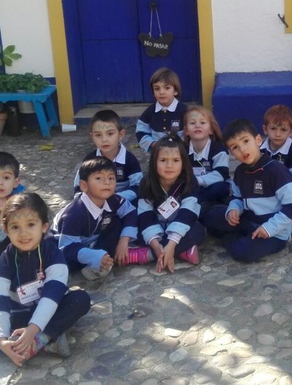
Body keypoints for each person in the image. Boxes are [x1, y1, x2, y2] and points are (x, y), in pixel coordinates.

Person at [0, 193, 90, 366]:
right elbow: (1, 300)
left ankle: (40, 340)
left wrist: (33, 330)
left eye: (31, 224)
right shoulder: (5, 259)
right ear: (6, 230)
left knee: (80, 299)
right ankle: (48, 340)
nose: (24, 233)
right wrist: (2, 340)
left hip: (50, 308)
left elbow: (53, 294)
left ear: (44, 226)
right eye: (15, 227)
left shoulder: (53, 253)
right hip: (18, 314)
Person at [203, 119, 292, 263]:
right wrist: (234, 209)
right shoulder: (240, 172)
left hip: (274, 233)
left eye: (245, 141)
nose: (242, 149)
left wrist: (268, 229)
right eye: (235, 147)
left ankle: (228, 238)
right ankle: (237, 232)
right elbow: (237, 198)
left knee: (243, 252)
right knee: (210, 216)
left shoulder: (277, 171)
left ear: (258, 140)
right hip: (248, 220)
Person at [52, 157, 141, 281]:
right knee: (62, 265)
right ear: (84, 185)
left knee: (118, 222)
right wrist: (92, 255)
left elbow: (130, 212)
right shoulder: (73, 214)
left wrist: (124, 240)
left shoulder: (113, 199)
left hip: (94, 238)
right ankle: (99, 259)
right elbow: (66, 248)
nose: (107, 182)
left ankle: (102, 259)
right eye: (99, 178)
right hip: (66, 244)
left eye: (111, 178)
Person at [137, 134, 206, 272]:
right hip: (157, 228)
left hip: (180, 230)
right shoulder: (147, 183)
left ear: (183, 162)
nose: (169, 165)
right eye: (163, 160)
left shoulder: (189, 182)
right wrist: (156, 245)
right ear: (154, 162)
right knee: (138, 230)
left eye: (175, 160)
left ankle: (149, 255)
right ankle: (182, 252)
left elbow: (188, 213)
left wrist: (171, 244)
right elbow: (145, 215)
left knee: (199, 231)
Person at [73, 109, 143, 205]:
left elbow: (138, 186)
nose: (104, 139)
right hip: (96, 202)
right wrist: (85, 202)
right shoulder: (90, 160)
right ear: (92, 137)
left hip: (123, 202)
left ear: (121, 134)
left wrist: (116, 199)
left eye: (110, 134)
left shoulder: (129, 160)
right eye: (98, 135)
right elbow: (79, 185)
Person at [183, 105, 230, 218]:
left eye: (203, 123)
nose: (197, 125)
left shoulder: (219, 149)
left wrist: (198, 180)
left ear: (210, 130)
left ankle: (197, 205)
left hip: (212, 186)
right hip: (191, 186)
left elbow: (221, 174)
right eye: (192, 123)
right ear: (186, 131)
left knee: (221, 187)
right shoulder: (181, 149)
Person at [136, 68, 188, 153]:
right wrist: (152, 144)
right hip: (157, 154)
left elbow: (191, 132)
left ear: (175, 91)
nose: (161, 92)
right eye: (157, 89)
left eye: (167, 88)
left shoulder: (184, 111)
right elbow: (141, 131)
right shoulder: (150, 111)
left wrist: (181, 145)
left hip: (179, 154)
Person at [261, 104, 292, 185]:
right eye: (273, 128)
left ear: (291, 132)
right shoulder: (259, 150)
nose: (278, 134)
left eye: (283, 130)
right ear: (265, 129)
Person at [0, 152, 25, 255]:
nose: (0, 182)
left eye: (6, 178)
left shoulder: (19, 204)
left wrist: (4, 215)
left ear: (16, 182)